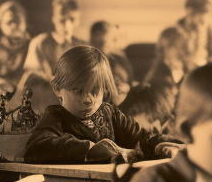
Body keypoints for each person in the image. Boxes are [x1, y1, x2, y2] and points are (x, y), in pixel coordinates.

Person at [22, 45, 176, 164]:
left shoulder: (110, 113)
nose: (88, 99)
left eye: (95, 90)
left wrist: (161, 146)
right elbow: (35, 148)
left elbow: (141, 138)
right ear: (56, 88)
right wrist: (91, 148)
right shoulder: (56, 117)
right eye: (78, 91)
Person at [24, 0, 84, 82]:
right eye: (62, 20)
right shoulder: (39, 43)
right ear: (54, 19)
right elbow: (31, 75)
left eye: (72, 19)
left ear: (78, 21)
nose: (67, 25)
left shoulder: (82, 46)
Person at [143, 26, 191, 120]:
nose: (176, 51)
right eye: (170, 48)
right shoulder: (156, 74)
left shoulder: (189, 72)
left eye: (179, 47)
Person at [177, 0, 212, 68]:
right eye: (190, 15)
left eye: (203, 15)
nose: (201, 20)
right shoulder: (179, 28)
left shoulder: (211, 28)